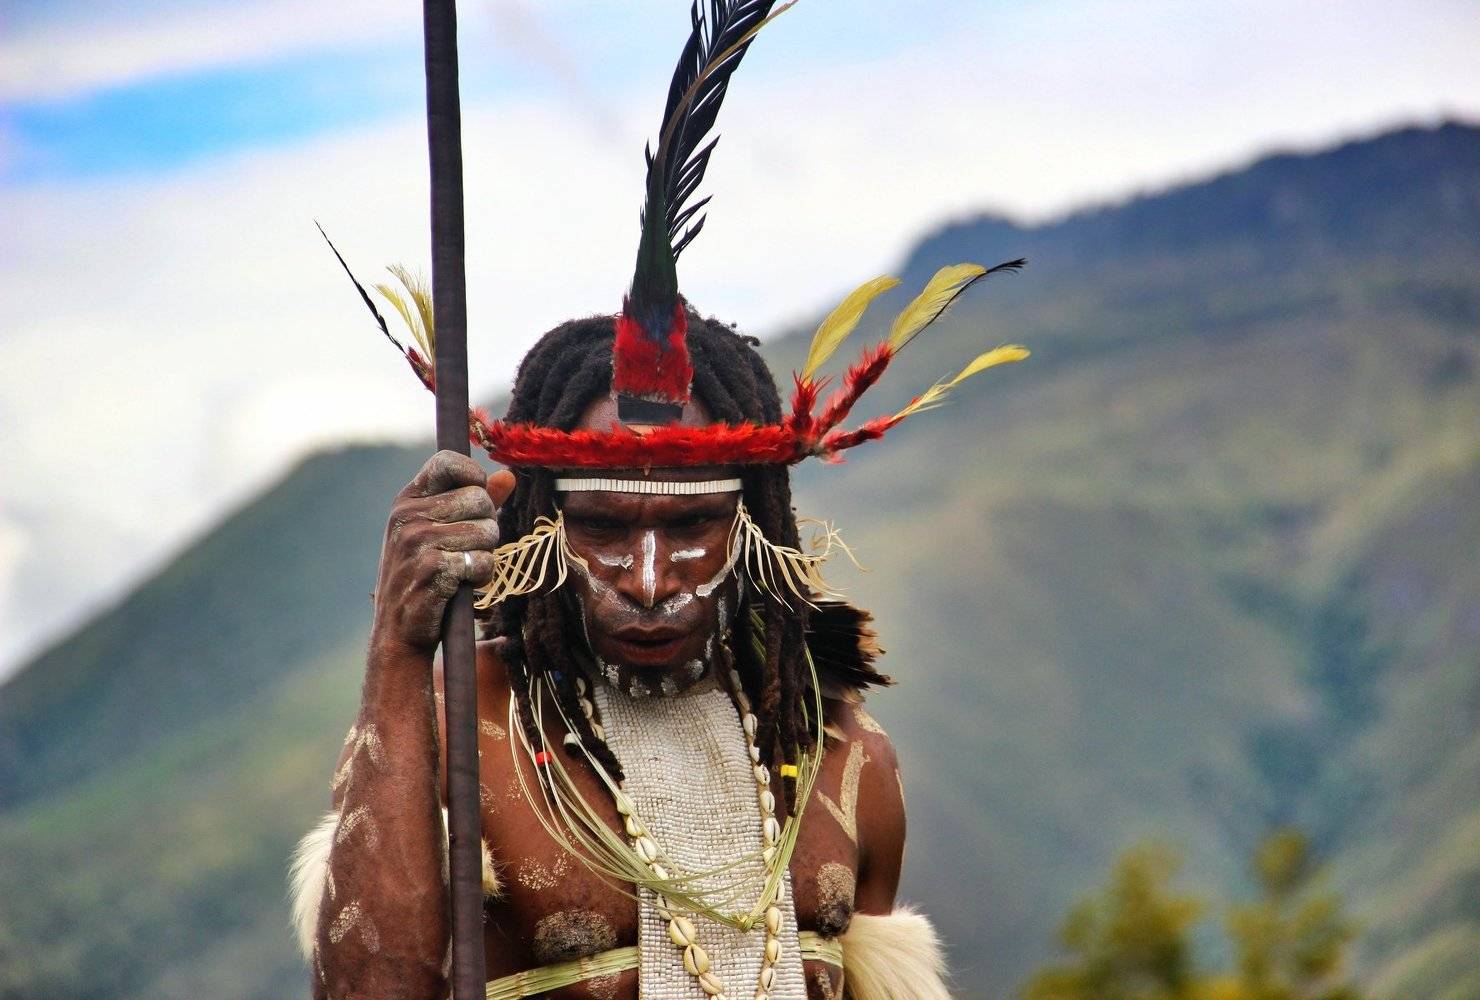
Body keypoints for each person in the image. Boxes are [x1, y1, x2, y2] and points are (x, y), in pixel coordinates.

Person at [291, 4, 1026, 998]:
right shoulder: (461, 724)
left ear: (753, 527)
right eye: (603, 528)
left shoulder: (847, 760)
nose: (647, 580)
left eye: (690, 527)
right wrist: (397, 647)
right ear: (539, 527)